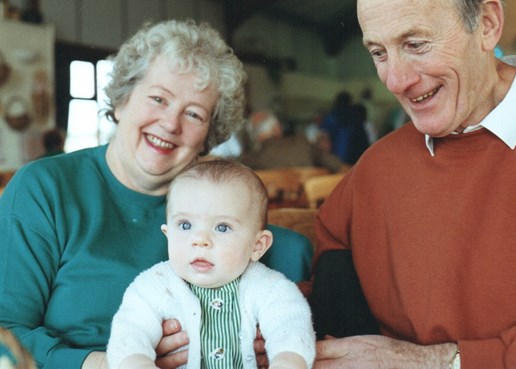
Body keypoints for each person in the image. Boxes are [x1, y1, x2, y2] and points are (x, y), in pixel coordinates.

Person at [0, 19, 313, 369]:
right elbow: (5, 332)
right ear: (121, 101)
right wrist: (110, 363)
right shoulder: (43, 188)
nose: (170, 123)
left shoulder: (220, 204)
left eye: (194, 113)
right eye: (158, 98)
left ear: (209, 136)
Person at [310, 0, 516, 368]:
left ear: (487, 25)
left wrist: (438, 361)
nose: (396, 81)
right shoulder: (375, 168)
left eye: (416, 44)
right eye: (379, 52)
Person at [106, 160, 315, 369]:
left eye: (222, 227)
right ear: (167, 235)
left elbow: (291, 329)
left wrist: (288, 360)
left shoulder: (271, 288)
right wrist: (137, 362)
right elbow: (130, 334)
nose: (200, 240)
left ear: (257, 245)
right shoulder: (153, 286)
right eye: (185, 225)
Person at [237, 110, 348, 173]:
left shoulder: (250, 161)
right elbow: (338, 166)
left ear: (256, 137)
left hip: (277, 213)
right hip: (311, 211)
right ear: (278, 128)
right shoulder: (303, 143)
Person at [320, 91, 370, 165]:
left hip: (336, 156)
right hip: (356, 156)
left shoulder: (331, 115)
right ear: (350, 101)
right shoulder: (355, 115)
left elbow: (324, 139)